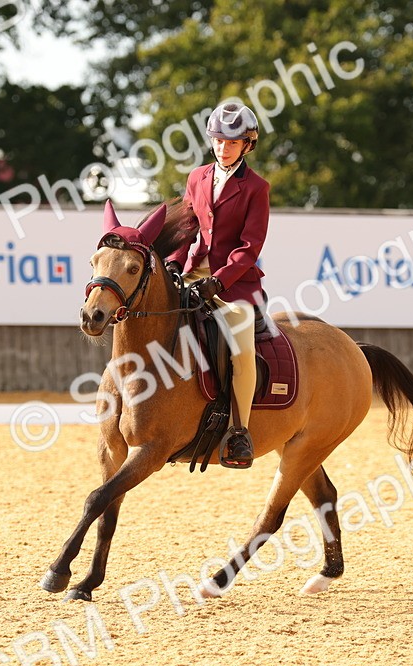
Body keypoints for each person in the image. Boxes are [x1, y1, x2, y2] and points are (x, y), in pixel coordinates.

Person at [167, 101, 271, 469]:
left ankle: (240, 430)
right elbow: (185, 229)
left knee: (241, 350)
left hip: (235, 283)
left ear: (247, 145)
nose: (223, 148)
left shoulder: (256, 188)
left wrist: (219, 280)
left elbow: (250, 247)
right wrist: (174, 264)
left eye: (231, 143)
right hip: (196, 271)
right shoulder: (197, 177)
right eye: (218, 141)